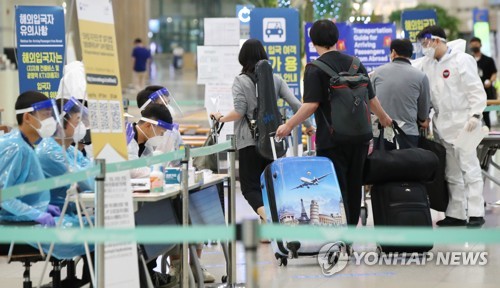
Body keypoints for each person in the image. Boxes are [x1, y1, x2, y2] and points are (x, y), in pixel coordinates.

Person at [276, 20, 393, 226]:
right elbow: (371, 99)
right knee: (355, 184)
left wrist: (289, 125)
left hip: (332, 140)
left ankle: (339, 238)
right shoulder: (355, 64)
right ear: (336, 39)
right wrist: (384, 118)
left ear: (313, 42)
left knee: (334, 187)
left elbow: (311, 105)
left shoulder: (314, 69)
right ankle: (349, 234)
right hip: (360, 138)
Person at [210, 38, 315, 222]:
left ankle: (270, 218)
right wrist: (308, 126)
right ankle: (268, 227)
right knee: (270, 185)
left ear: (242, 58)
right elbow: (297, 104)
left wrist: (221, 118)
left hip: (248, 142)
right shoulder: (276, 79)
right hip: (274, 140)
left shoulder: (240, 81)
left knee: (250, 187)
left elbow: (239, 111)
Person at [415, 25, 487, 227]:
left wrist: (475, 115)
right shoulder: (427, 64)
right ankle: (456, 213)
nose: (424, 48)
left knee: (469, 168)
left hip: (466, 123)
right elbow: (408, 66)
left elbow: (475, 90)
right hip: (442, 123)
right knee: (451, 172)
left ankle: (475, 213)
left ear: (437, 40)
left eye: (426, 43)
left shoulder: (461, 60)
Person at [36, 97, 94, 214]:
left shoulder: (70, 150)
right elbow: (88, 182)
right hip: (55, 218)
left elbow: (93, 173)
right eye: (77, 121)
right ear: (60, 124)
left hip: (73, 212)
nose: (82, 127)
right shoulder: (50, 153)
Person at [370, 38, 431, 149]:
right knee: (408, 166)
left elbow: (371, 103)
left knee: (383, 166)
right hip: (408, 135)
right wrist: (423, 120)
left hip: (381, 134)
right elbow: (423, 112)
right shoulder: (421, 76)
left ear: (393, 52)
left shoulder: (377, 73)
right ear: (410, 53)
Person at [470, 37, 497, 128]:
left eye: (476, 44)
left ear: (480, 45)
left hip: (486, 91)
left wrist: (490, 81)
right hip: (472, 92)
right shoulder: (468, 60)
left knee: (486, 113)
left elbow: (494, 73)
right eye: (472, 44)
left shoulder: (488, 60)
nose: (474, 46)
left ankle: (487, 131)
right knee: (473, 115)